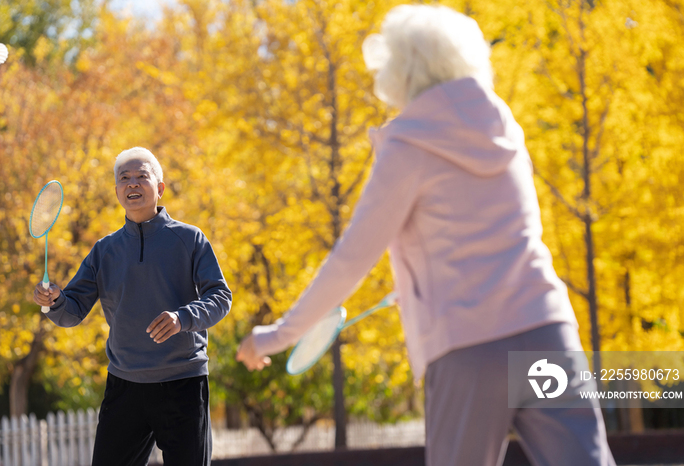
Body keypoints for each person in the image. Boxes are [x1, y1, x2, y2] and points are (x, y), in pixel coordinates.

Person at [236, 4, 616, 466]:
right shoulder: (504, 124)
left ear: (399, 69)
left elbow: (353, 258)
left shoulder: (407, 144)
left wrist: (277, 335)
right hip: (546, 329)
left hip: (466, 348)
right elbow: (506, 235)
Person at [33, 147, 231, 466]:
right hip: (125, 385)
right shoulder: (104, 250)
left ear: (160, 188)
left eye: (142, 176)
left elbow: (221, 297)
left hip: (183, 382)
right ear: (117, 192)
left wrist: (183, 318)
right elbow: (72, 311)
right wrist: (54, 300)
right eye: (124, 178)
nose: (132, 183)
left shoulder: (190, 239)